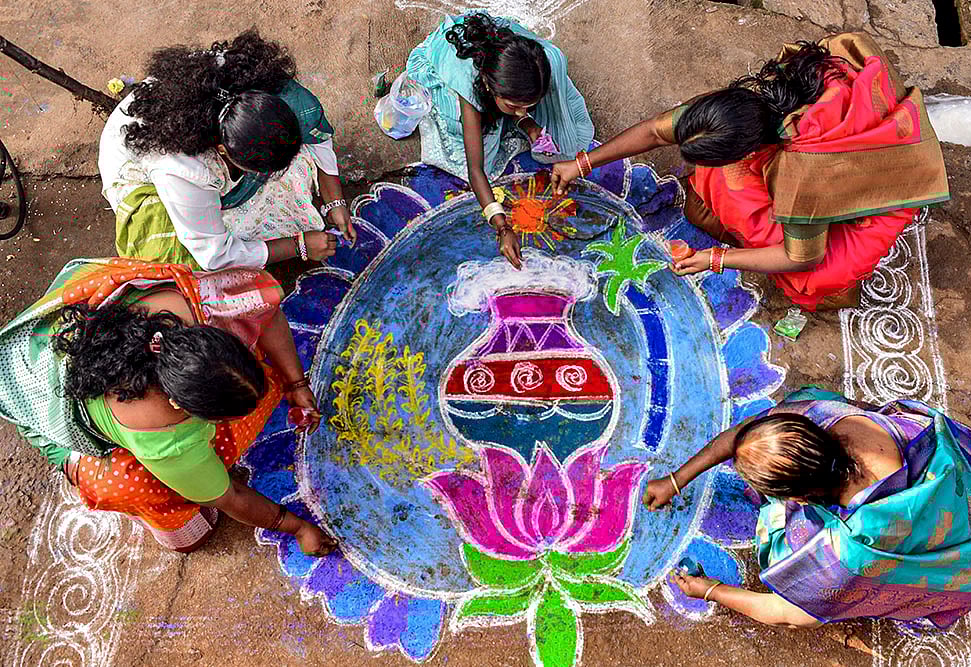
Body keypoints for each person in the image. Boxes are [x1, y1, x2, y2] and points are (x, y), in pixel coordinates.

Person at [551, 33, 949, 310]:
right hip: (839, 145)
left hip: (876, 182)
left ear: (750, 151)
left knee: (818, 276)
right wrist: (582, 163)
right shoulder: (745, 105)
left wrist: (715, 259)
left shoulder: (805, 174)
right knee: (714, 196)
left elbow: (800, 257)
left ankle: (837, 296)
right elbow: (656, 131)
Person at [0, 258, 333, 555]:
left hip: (56, 331)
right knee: (146, 495)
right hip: (36, 397)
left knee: (264, 383)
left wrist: (296, 383)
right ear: (179, 405)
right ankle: (92, 471)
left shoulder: (194, 303)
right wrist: (296, 527)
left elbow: (262, 310)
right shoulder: (163, 436)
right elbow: (230, 497)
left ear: (205, 332)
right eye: (221, 417)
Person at [643, 387, 971, 628]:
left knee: (786, 552)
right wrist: (676, 479)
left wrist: (710, 590)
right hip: (969, 489)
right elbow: (746, 436)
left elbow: (787, 612)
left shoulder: (849, 548)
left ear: (797, 498)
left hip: (959, 556)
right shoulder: (826, 416)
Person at [99, 29, 357, 272]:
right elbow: (214, 255)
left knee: (296, 166)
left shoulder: (256, 79)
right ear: (222, 151)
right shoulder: (182, 168)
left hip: (198, 137)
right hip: (142, 173)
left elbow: (316, 137)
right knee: (190, 271)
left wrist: (335, 201)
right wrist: (298, 246)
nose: (266, 178)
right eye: (259, 172)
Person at [406, 12, 595, 269]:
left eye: (529, 105)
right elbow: (475, 170)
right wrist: (502, 226)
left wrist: (527, 123)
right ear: (488, 86)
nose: (522, 111)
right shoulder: (468, 86)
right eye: (513, 106)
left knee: (558, 128)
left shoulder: (540, 61)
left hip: (496, 66)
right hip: (450, 62)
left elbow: (525, 104)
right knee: (470, 145)